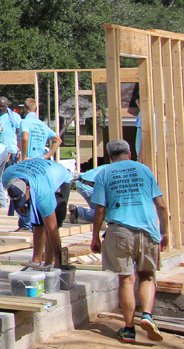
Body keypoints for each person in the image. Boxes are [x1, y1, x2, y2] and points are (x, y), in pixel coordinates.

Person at [89, 140, 168, 344]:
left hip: (119, 231)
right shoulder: (144, 170)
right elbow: (161, 206)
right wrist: (165, 232)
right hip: (148, 230)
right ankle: (148, 316)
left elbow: (99, 209)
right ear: (129, 153)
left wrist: (95, 236)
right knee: (147, 276)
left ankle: (129, 329)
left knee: (126, 279)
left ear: (109, 156)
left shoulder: (105, 173)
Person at [3, 158, 72, 269]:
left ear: (28, 189)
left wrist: (59, 259)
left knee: (48, 226)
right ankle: (36, 262)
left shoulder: (42, 193)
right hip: (37, 175)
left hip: (60, 180)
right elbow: (15, 193)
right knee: (37, 223)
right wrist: (21, 204)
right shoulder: (7, 176)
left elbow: (52, 228)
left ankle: (49, 264)